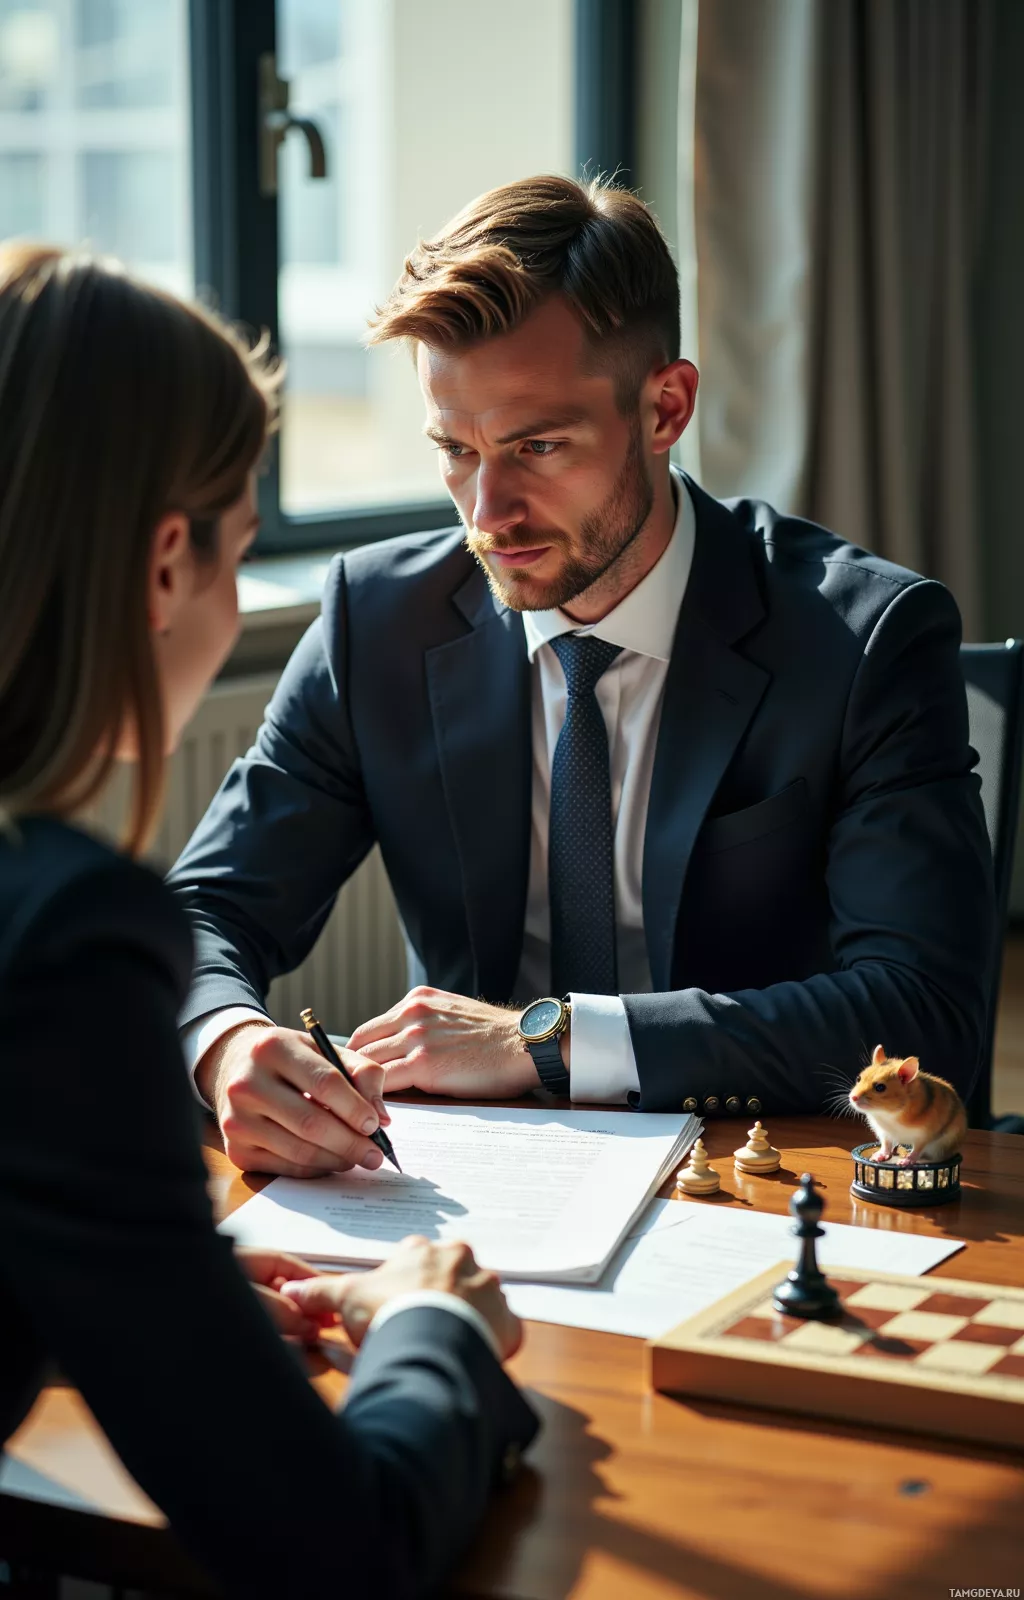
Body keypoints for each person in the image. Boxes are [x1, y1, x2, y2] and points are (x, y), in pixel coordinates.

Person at [169, 174, 995, 1180]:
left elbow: (922, 1013)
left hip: (768, 1177)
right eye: (455, 451)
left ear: (665, 406)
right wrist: (226, 1043)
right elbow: (206, 910)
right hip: (463, 1189)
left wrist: (547, 1042)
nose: (488, 511)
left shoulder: (863, 640)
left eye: (537, 446)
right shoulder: (374, 622)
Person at [0, 244, 537, 1599]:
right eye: (244, 555)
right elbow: (338, 1553)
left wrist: (122, 1303)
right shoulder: (59, 941)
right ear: (166, 564)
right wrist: (429, 1328)